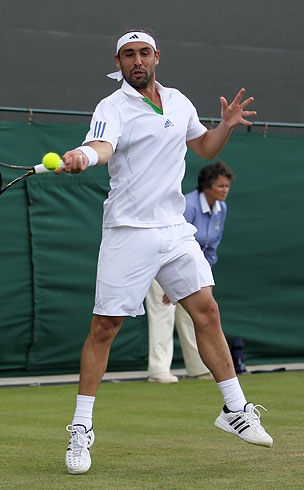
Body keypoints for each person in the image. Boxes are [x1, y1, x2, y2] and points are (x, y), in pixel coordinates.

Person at [57, 28, 273, 475]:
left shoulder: (178, 101)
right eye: (128, 55)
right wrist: (83, 155)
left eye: (144, 53)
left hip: (174, 228)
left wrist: (225, 126)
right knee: (104, 327)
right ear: (117, 63)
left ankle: (235, 409)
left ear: (157, 57)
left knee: (207, 310)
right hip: (128, 230)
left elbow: (203, 147)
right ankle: (81, 428)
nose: (137, 61)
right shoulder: (111, 107)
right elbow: (101, 146)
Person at [146, 161, 235, 383]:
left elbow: (212, 246)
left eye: (227, 186)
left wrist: (201, 277)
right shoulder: (188, 206)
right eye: (221, 186)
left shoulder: (221, 209)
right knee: (163, 314)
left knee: (194, 315)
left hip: (193, 268)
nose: (225, 190)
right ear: (207, 186)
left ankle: (199, 367)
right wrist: (172, 282)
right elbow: (171, 241)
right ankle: (158, 371)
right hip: (163, 265)